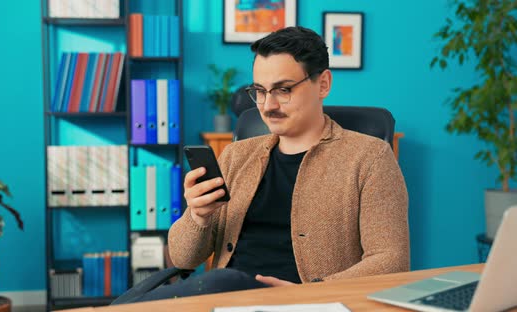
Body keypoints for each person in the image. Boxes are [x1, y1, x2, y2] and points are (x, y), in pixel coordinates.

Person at [116, 26, 409, 303]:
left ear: (323, 84)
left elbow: (391, 259)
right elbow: (182, 259)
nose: (268, 105)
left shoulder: (369, 157)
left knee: (221, 282)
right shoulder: (235, 156)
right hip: (226, 300)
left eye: (283, 89)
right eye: (260, 90)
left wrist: (310, 292)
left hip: (303, 303)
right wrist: (197, 216)